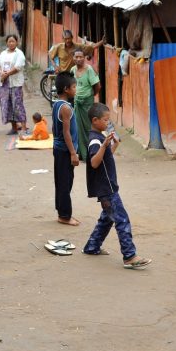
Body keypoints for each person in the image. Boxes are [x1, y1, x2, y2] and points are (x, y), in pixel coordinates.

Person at [83, 103, 152, 269]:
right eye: (105, 120)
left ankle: (92, 247)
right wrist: (105, 145)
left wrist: (114, 145)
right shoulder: (95, 140)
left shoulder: (100, 137)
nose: (108, 123)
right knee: (122, 220)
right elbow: (94, 162)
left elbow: (106, 158)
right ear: (95, 120)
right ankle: (129, 256)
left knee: (106, 219)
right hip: (107, 189)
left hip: (108, 186)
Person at [52, 72, 81, 226]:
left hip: (59, 148)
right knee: (65, 183)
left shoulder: (57, 104)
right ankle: (64, 216)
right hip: (64, 150)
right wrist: (73, 153)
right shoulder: (65, 108)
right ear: (66, 89)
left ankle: (61, 211)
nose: (76, 89)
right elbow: (66, 132)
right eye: (74, 86)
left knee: (62, 181)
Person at [71, 48, 101, 161]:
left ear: (84, 58)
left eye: (81, 57)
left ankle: (92, 153)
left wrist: (91, 96)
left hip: (87, 103)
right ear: (73, 58)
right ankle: (82, 154)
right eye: (76, 57)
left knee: (89, 128)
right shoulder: (72, 70)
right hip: (77, 103)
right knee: (77, 128)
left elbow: (97, 86)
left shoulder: (89, 70)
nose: (78, 59)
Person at [0, 34, 28, 135]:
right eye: (9, 41)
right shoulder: (3, 53)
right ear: (6, 42)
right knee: (7, 105)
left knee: (17, 105)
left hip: (15, 83)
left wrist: (7, 74)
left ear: (16, 42)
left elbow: (18, 67)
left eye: (13, 41)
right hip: (4, 83)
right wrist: (1, 73)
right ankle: (14, 127)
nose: (11, 43)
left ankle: (23, 128)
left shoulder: (19, 54)